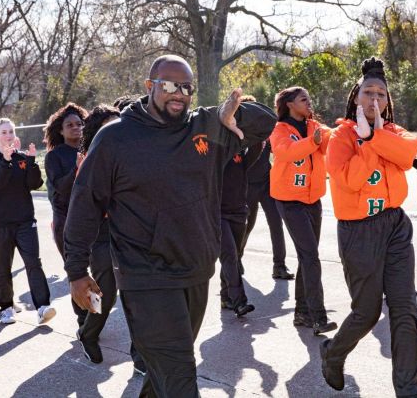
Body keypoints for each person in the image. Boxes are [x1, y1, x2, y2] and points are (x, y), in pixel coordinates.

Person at [64, 55, 276, 397]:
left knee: (165, 373)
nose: (179, 93)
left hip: (195, 273)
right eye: (169, 85)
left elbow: (266, 121)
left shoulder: (205, 126)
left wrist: (227, 113)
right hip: (145, 278)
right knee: (179, 379)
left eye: (187, 87)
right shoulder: (115, 139)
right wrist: (76, 270)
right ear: (149, 87)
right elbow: (85, 204)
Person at [319, 57, 417, 396]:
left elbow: (408, 154)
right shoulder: (340, 137)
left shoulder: (394, 133)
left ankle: (408, 388)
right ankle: (333, 354)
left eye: (381, 93)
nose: (375, 99)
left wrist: (375, 136)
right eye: (368, 92)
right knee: (366, 313)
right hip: (358, 231)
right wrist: (364, 143)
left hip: (395, 226)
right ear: (356, 98)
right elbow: (349, 180)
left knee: (405, 310)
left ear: (387, 101)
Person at [73, 104, 145, 373]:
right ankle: (88, 333)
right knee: (105, 294)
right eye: (109, 126)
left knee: (135, 296)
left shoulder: (134, 154)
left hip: (129, 235)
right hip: (101, 237)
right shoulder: (89, 161)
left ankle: (140, 357)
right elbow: (86, 210)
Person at [269, 86, 336, 335]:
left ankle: (301, 312)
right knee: (310, 257)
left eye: (309, 98)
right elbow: (285, 152)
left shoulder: (314, 126)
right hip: (289, 201)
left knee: (307, 257)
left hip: (312, 200)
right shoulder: (278, 130)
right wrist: (313, 141)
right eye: (303, 99)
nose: (309, 102)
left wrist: (349, 127)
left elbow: (331, 140)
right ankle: (318, 316)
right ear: (289, 104)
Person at [0, 117, 56, 326]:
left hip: (25, 220)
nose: (8, 136)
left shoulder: (22, 158)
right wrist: (5, 161)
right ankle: (6, 307)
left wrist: (32, 161)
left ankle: (42, 307)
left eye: (11, 132)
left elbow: (34, 184)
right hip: (0, 223)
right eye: (4, 132)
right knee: (2, 266)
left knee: (33, 262)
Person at [238, 97, 294, 281]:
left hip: (267, 184)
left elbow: (279, 150)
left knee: (276, 223)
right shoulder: (239, 134)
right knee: (247, 226)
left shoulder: (267, 131)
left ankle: (279, 266)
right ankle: (236, 260)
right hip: (246, 186)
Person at [219, 140, 263, 317]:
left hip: (238, 213)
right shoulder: (213, 156)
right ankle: (239, 302)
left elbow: (257, 144)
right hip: (217, 214)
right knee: (229, 255)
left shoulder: (242, 157)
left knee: (233, 256)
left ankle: (226, 296)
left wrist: (253, 129)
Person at [44, 102, 88, 258]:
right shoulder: (54, 156)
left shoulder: (92, 150)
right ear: (61, 131)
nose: (76, 127)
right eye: (69, 125)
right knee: (76, 273)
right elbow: (61, 188)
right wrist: (76, 168)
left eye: (79, 124)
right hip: (66, 220)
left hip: (91, 218)